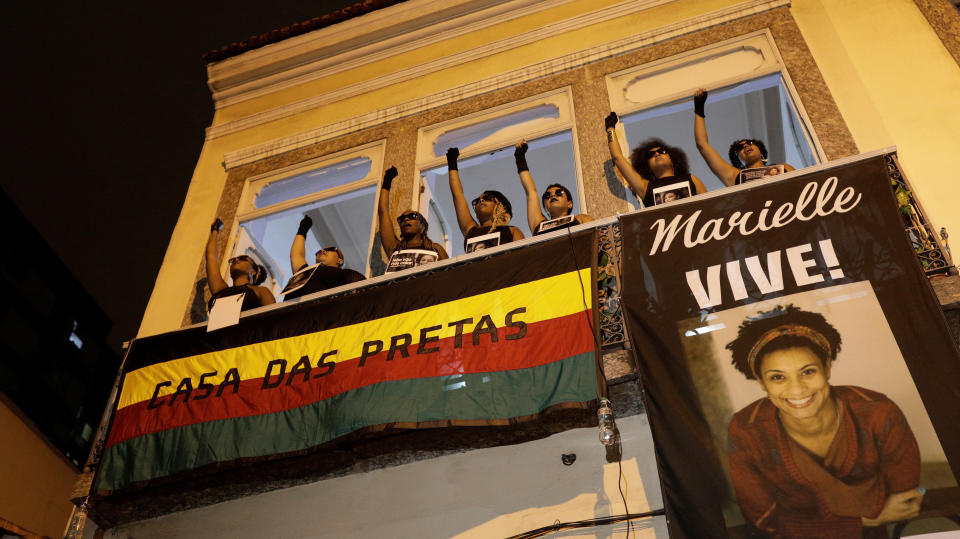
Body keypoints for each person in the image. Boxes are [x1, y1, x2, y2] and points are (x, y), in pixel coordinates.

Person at [724, 305, 923, 538]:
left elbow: (904, 499)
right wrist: (864, 519)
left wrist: (808, 523)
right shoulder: (746, 429)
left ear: (827, 368)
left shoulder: (878, 412)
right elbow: (764, 519)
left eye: (808, 372)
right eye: (778, 377)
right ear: (761, 382)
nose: (797, 389)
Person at [692, 88, 795, 186]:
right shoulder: (733, 176)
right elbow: (702, 145)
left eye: (749, 143)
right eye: (740, 148)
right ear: (738, 161)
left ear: (761, 152)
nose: (745, 146)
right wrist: (699, 108)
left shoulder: (784, 168)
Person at [604, 112, 706, 207]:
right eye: (651, 155)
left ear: (672, 159)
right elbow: (618, 158)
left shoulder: (691, 179)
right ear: (647, 167)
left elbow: (711, 204)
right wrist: (610, 128)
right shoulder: (644, 187)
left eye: (662, 151)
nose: (657, 154)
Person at [445, 147, 524, 250]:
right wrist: (452, 163)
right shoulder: (470, 230)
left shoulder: (512, 231)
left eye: (487, 198)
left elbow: (521, 257)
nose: (481, 200)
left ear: (499, 204)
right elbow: (457, 195)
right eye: (477, 201)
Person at [513, 141, 593, 236]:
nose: (553, 195)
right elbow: (530, 191)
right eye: (547, 195)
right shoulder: (537, 223)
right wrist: (520, 157)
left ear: (569, 204)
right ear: (545, 208)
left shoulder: (582, 219)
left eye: (559, 193)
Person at [377, 165, 448, 264]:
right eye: (401, 218)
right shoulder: (395, 249)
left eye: (412, 216)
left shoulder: (435, 249)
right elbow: (383, 211)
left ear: (422, 226)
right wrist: (387, 181)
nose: (406, 219)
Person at [283, 215, 363, 300]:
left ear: (340, 260)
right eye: (319, 251)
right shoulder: (306, 274)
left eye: (329, 249)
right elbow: (297, 255)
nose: (322, 251)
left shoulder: (346, 276)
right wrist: (303, 229)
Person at [205, 218, 275, 311]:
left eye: (243, 258)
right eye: (233, 259)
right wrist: (215, 230)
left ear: (253, 272)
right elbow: (211, 258)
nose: (236, 259)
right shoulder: (221, 290)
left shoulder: (261, 291)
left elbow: (273, 317)